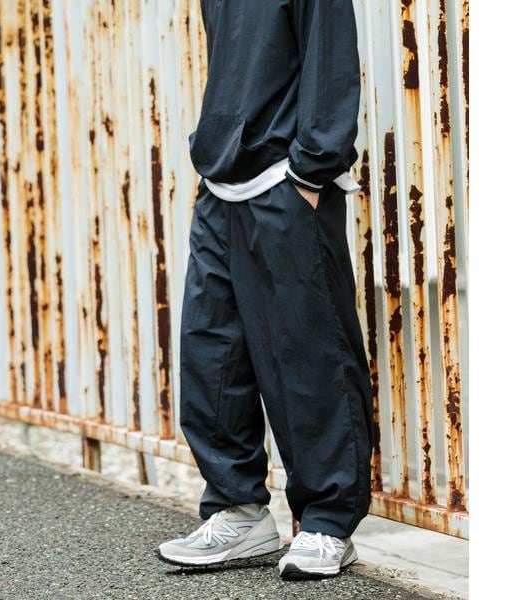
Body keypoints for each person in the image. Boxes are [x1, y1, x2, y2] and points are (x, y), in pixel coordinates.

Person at [156, 0, 374, 580]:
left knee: (309, 354)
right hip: (221, 181)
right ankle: (239, 510)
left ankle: (327, 522)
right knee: (211, 351)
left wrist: (311, 170)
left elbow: (329, 63)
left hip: (286, 181)